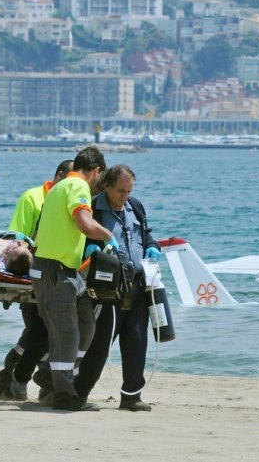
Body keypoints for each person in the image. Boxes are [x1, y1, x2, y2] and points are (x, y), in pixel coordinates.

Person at [30, 146, 115, 411]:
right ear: (96, 171)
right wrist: (111, 237)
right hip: (55, 271)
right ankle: (65, 396)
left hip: (62, 270)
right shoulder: (78, 187)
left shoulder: (59, 186)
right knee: (67, 334)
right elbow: (85, 224)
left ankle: (48, 372)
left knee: (85, 324)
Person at [74, 165, 161, 412]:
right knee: (99, 343)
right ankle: (79, 393)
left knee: (136, 340)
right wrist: (91, 249)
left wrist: (153, 246)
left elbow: (146, 236)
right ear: (107, 187)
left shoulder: (136, 206)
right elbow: (82, 239)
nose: (124, 196)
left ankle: (131, 396)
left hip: (137, 285)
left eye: (129, 190)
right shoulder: (93, 208)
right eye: (120, 191)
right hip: (107, 288)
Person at [0, 160, 73, 400]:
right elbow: (16, 240)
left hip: (59, 276)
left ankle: (13, 376)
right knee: (40, 333)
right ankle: (17, 377)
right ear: (58, 176)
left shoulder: (72, 199)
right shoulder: (33, 198)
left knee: (42, 334)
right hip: (33, 276)